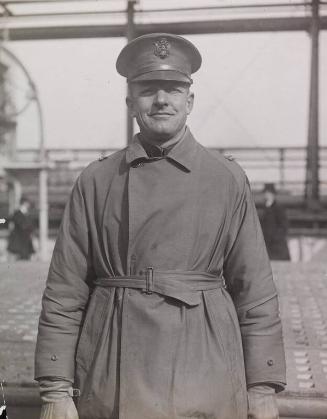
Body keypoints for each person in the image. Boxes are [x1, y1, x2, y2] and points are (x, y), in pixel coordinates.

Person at [35, 33, 286, 419]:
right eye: (148, 89)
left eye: (172, 89)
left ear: (190, 101)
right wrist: (54, 388)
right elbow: (64, 291)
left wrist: (263, 386)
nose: (161, 100)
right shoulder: (97, 180)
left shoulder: (226, 179)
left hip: (206, 364)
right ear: (130, 102)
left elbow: (254, 290)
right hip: (111, 362)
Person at [260, 183, 290, 261]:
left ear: (273, 194)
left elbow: (284, 225)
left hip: (277, 244)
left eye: (269, 193)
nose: (267, 195)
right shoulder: (264, 208)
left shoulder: (279, 208)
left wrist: (277, 237)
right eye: (266, 193)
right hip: (267, 242)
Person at [7, 196, 35, 261]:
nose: (28, 205)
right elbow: (12, 221)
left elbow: (30, 225)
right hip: (19, 239)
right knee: (19, 257)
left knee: (26, 257)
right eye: (27, 203)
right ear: (24, 203)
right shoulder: (17, 213)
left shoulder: (27, 213)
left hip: (26, 238)